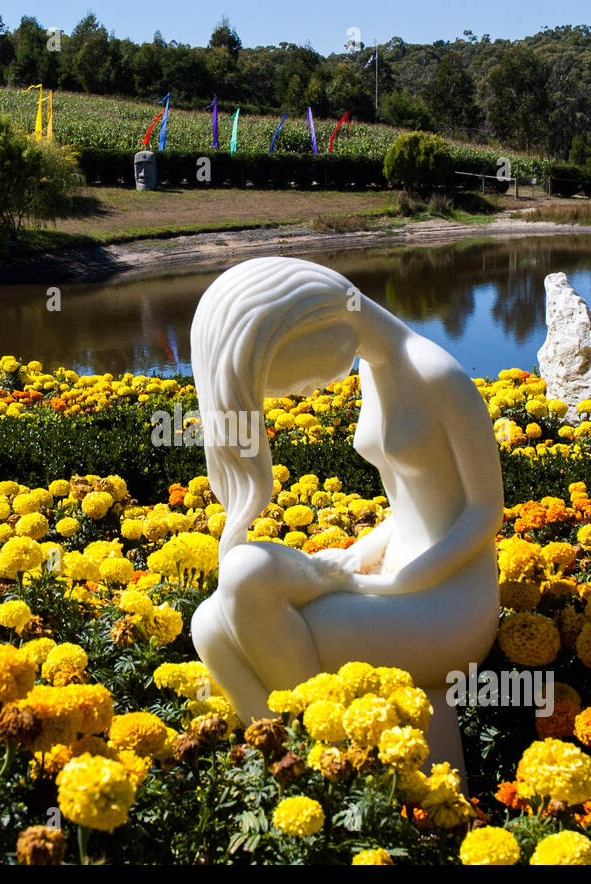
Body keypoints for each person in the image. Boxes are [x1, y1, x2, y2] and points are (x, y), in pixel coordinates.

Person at [189, 256, 504, 774]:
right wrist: (362, 556)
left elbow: (484, 514)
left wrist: (390, 585)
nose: (294, 393)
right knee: (209, 625)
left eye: (282, 374)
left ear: (313, 322)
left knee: (249, 589)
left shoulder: (435, 373)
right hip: (398, 578)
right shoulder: (377, 373)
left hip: (450, 604)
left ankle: (332, 766)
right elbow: (410, 510)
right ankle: (295, 772)